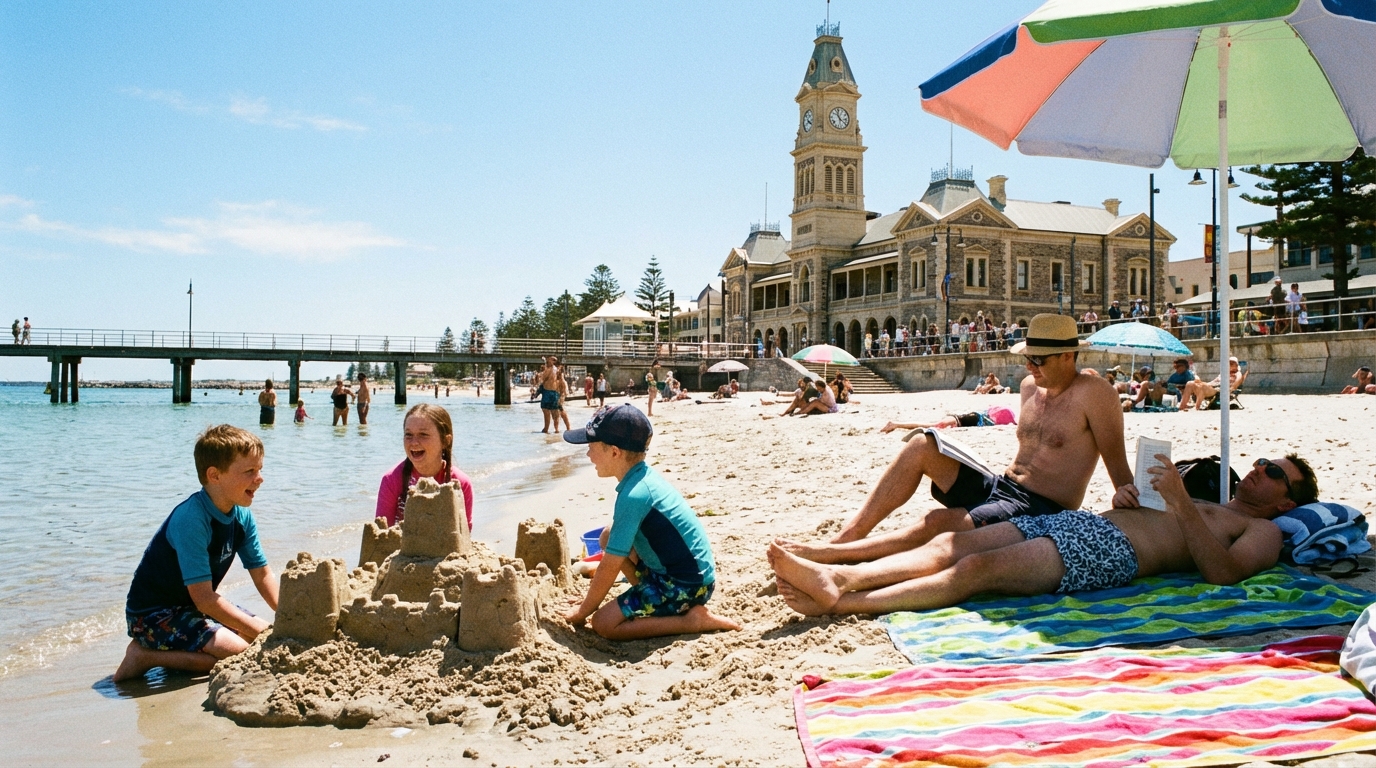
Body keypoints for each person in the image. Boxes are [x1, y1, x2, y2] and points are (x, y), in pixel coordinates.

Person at [772, 454, 1318, 616]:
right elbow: (1158, 519)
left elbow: (1222, 575)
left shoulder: (1260, 530)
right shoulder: (1210, 501)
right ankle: (841, 573)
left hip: (1112, 552)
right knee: (949, 544)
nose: (1260, 469)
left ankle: (841, 603)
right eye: (1264, 460)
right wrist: (1127, 499)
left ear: (1288, 501)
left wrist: (1179, 505)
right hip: (1088, 526)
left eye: (1275, 473)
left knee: (974, 572)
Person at [802, 313, 1134, 557]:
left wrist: (1125, 499)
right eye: (1027, 358)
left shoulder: (1093, 393)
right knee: (922, 444)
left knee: (937, 522)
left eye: (1038, 359)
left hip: (1042, 508)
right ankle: (848, 538)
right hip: (1001, 486)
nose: (1030, 366)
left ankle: (839, 557)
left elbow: (1120, 473)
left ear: (1068, 355)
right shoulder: (1030, 387)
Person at [114, 425, 278, 681]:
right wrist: (265, 630)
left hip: (191, 608)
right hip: (151, 616)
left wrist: (288, 616)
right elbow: (204, 599)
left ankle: (178, 651)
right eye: (249, 471)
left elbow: (262, 574)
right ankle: (144, 656)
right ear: (215, 475)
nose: (260, 478)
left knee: (253, 637)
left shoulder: (242, 516)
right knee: (241, 653)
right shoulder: (192, 519)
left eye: (260, 470)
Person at [561, 405, 740, 639]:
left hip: (684, 587)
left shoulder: (634, 495)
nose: (587, 455)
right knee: (607, 536)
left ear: (615, 452)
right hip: (687, 576)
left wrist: (584, 610)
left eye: (591, 447)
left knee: (603, 623)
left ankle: (691, 622)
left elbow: (611, 564)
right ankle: (645, 594)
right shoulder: (641, 478)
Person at [374, 403, 474, 528]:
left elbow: (464, 534)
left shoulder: (460, 483)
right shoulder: (392, 480)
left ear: (445, 441)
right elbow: (380, 533)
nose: (414, 442)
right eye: (408, 435)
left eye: (423, 435)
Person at [878, 404, 1017, 434]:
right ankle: (895, 424)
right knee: (933, 425)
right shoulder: (999, 417)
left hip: (962, 418)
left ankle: (896, 424)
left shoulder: (990, 415)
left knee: (932, 425)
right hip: (961, 419)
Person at [1178, 357, 1247, 411]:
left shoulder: (1237, 374)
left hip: (1219, 391)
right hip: (1211, 387)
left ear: (1236, 365)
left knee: (1202, 386)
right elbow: (1213, 381)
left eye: (1232, 363)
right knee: (1190, 383)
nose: (1229, 365)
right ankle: (1182, 406)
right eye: (1228, 363)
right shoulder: (1223, 374)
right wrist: (1203, 383)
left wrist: (1231, 389)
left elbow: (1238, 382)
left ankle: (1197, 407)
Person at [537, 357, 562, 434]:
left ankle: (547, 429)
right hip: (554, 392)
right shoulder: (556, 370)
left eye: (554, 360)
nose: (553, 361)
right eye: (552, 359)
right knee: (554, 411)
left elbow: (542, 380)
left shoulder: (549, 370)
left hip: (548, 392)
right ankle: (556, 429)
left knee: (547, 410)